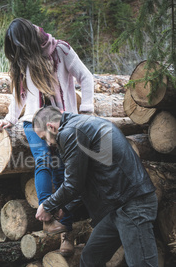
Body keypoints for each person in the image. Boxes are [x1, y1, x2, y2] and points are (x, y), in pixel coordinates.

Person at [0, 18, 94, 256]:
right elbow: (19, 94)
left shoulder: (61, 50)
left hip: (63, 120)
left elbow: (86, 77)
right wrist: (11, 117)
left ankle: (65, 234)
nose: (17, 52)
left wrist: (87, 111)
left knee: (62, 171)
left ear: (29, 39)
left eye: (18, 45)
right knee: (42, 159)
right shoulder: (22, 57)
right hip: (32, 121)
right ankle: (48, 216)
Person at [32, 106, 158, 266]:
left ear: (51, 126)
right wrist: (66, 207)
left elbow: (73, 184)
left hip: (133, 205)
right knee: (91, 259)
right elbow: (83, 179)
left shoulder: (70, 132)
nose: (48, 143)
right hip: (117, 207)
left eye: (44, 138)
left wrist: (47, 206)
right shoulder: (80, 125)